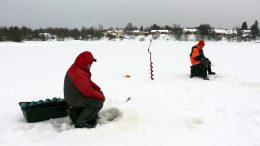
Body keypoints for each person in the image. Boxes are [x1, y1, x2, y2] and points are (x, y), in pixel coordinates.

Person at [64, 51, 105, 128]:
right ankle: (81, 123)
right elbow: (87, 91)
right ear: (84, 63)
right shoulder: (78, 73)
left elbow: (86, 82)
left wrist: (98, 89)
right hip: (74, 98)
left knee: (98, 96)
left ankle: (91, 117)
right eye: (90, 64)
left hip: (76, 94)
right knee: (97, 102)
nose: (91, 66)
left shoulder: (79, 67)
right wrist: (100, 96)